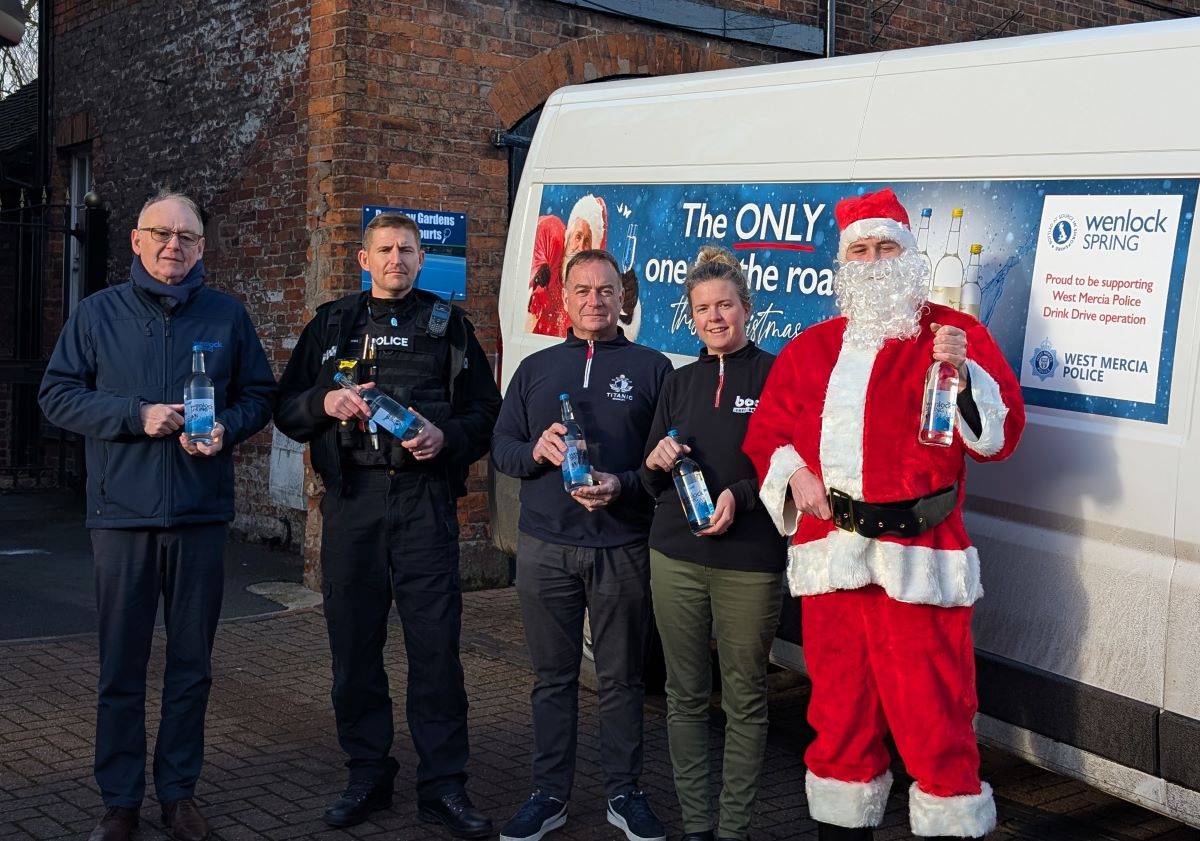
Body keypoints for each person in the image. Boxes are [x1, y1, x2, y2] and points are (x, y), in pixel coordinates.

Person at [743, 188, 1026, 841]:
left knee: (937, 725)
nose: (873, 261)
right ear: (845, 263)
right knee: (839, 724)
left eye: (885, 247)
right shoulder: (811, 350)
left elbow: (999, 439)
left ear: (910, 255)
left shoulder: (954, 335)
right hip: (832, 562)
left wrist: (966, 373)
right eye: (860, 250)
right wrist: (795, 473)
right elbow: (766, 436)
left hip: (919, 562)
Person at [38, 190, 277, 841]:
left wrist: (226, 427)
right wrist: (133, 415)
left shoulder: (226, 315)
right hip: (122, 517)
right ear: (138, 241)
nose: (174, 245)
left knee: (191, 664)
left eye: (187, 236)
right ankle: (119, 800)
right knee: (121, 664)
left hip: (200, 515)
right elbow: (56, 395)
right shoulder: (97, 315)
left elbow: (260, 394)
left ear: (203, 247)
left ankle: (178, 792)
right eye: (161, 233)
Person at [273, 212, 501, 838]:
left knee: (435, 652)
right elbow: (286, 408)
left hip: (424, 504)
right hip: (353, 503)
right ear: (363, 258)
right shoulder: (333, 324)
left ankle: (444, 787)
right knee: (353, 649)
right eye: (385, 248)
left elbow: (487, 413)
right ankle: (368, 773)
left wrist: (445, 435)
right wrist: (324, 402)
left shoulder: (449, 327)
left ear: (422, 259)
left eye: (407, 248)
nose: (396, 258)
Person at [491, 248, 673, 841]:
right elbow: (502, 450)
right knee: (552, 678)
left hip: (622, 545)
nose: (594, 300)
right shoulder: (536, 370)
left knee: (622, 680)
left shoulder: (653, 369)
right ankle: (549, 794)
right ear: (563, 299)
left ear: (624, 298)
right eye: (582, 290)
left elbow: (664, 464)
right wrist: (537, 452)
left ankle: (625, 791)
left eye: (606, 290)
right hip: (546, 547)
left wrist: (623, 483)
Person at [640, 246, 786, 841]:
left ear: (746, 308)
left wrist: (742, 497)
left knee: (746, 697)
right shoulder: (679, 381)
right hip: (674, 557)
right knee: (685, 695)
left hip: (750, 561)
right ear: (691, 317)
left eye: (725, 304)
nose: (715, 317)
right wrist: (654, 460)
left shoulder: (776, 375)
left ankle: (734, 829)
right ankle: (698, 825)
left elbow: (793, 465)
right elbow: (650, 476)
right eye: (703, 308)